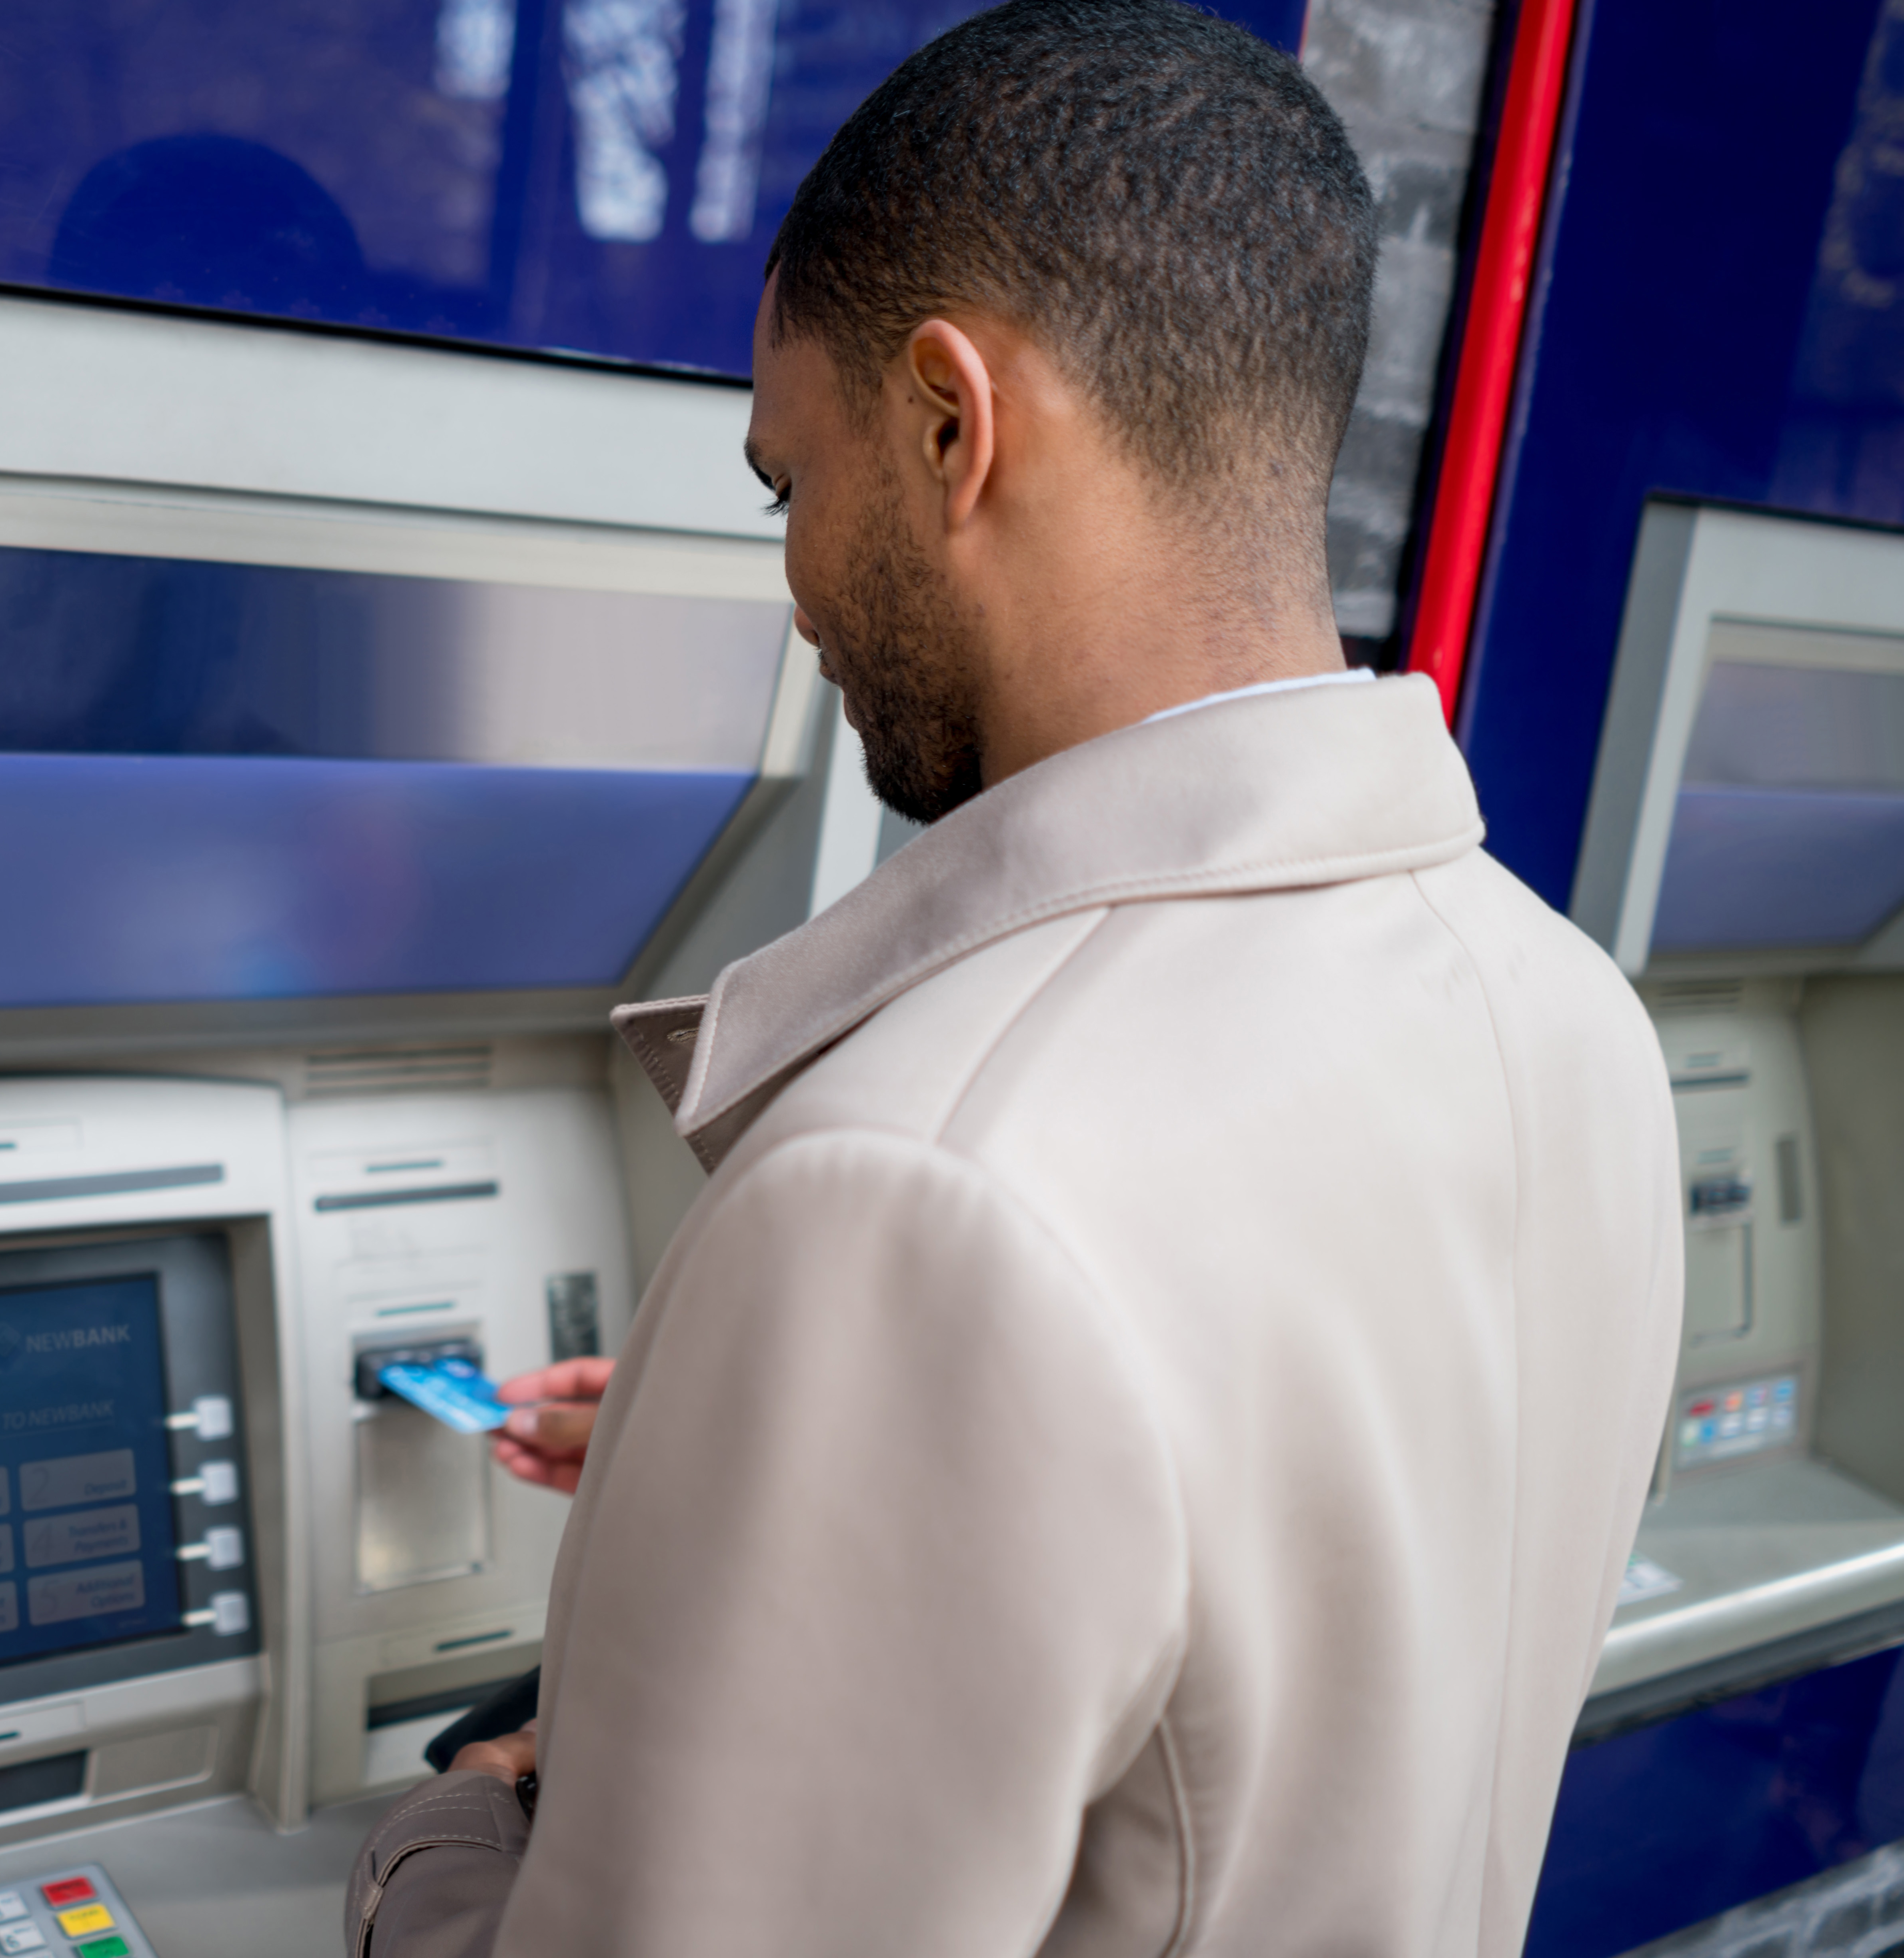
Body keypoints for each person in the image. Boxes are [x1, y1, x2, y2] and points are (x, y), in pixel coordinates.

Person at [341, 2, 1683, 1952]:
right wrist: (760, 1452)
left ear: (952, 424)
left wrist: (452, 1830)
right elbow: (1272, 1543)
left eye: (787, 485)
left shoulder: (918, 1197)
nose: (793, 589)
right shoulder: (1562, 1011)